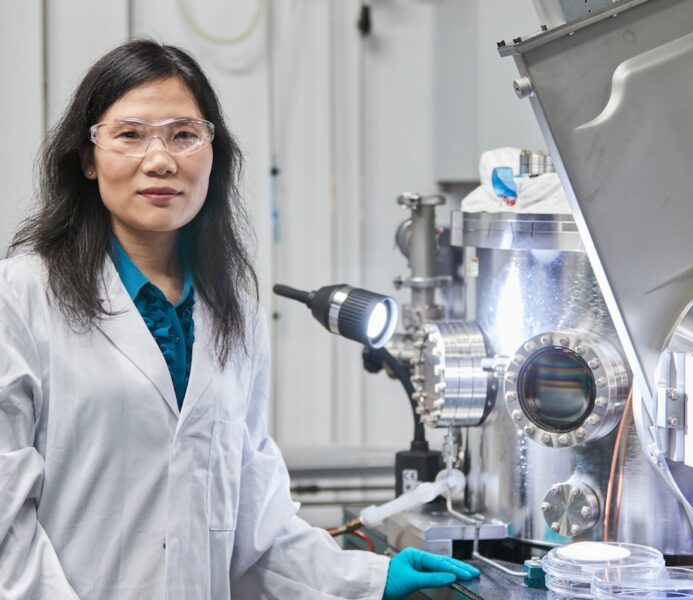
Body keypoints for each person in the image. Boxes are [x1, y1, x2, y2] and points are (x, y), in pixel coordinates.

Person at [0, 39, 479, 600]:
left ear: (212, 153)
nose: (161, 160)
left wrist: (370, 577)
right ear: (87, 157)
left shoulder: (234, 313)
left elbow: (253, 525)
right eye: (130, 134)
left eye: (184, 135)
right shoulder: (23, 296)